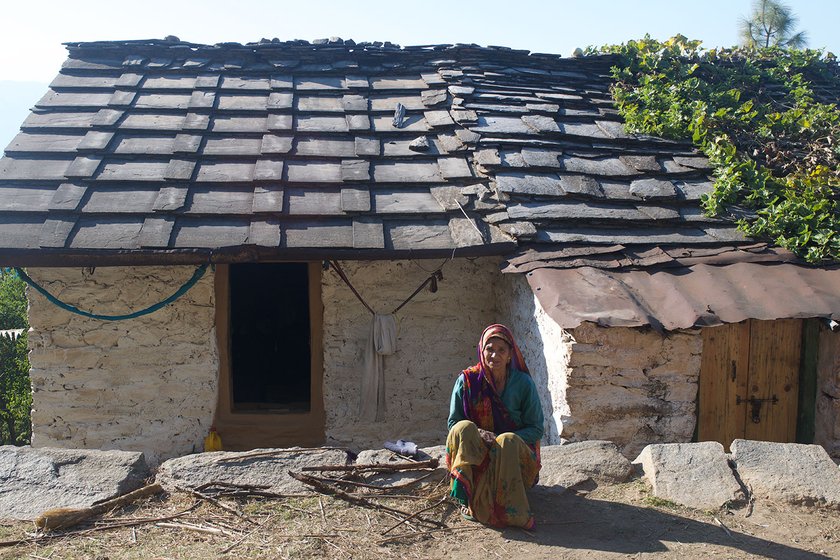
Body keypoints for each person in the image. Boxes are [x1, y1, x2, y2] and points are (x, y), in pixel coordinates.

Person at [446, 324, 544, 529]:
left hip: (512, 454)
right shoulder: (467, 381)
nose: (495, 355)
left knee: (506, 441)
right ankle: (469, 496)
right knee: (463, 428)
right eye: (490, 349)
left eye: (501, 350)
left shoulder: (523, 383)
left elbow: (536, 428)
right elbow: (453, 423)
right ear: (481, 351)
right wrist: (481, 434)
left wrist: (501, 439)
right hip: (478, 452)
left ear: (510, 355)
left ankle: (512, 511)